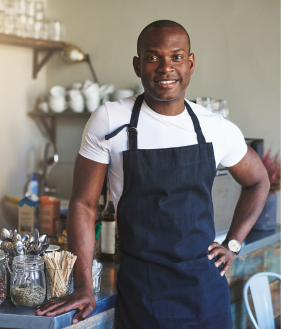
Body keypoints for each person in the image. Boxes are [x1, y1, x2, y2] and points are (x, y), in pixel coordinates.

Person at [35, 20, 270, 328]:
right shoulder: (109, 119)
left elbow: (258, 181)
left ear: (190, 63)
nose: (165, 67)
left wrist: (234, 244)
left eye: (176, 56)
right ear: (137, 65)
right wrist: (84, 286)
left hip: (206, 290)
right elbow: (84, 205)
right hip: (143, 289)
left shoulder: (215, 127)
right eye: (152, 56)